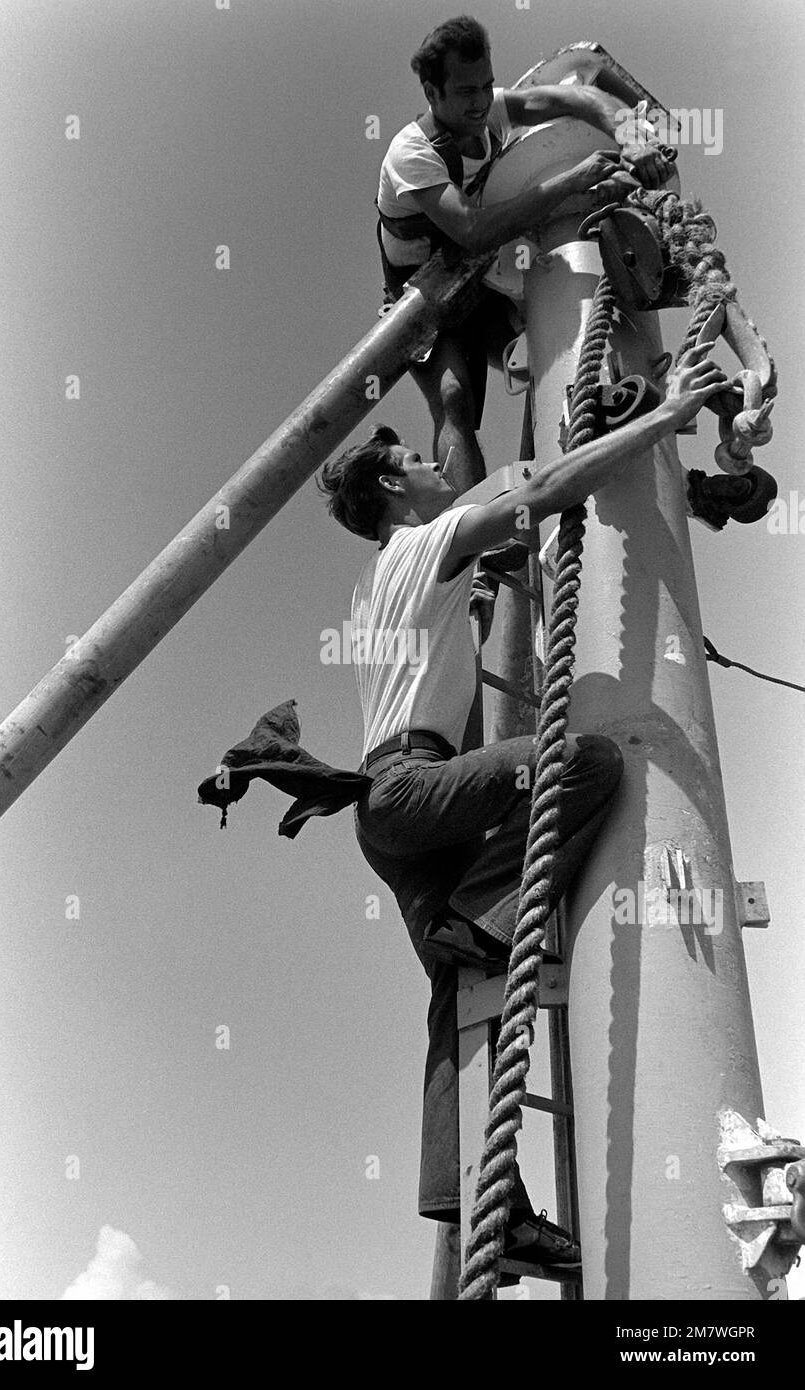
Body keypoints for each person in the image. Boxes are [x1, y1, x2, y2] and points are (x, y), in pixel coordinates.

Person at [317, 342, 730, 1267]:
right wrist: (661, 419)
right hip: (413, 786)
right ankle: (479, 915)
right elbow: (536, 500)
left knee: (456, 998)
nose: (436, 468)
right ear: (392, 490)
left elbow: (504, 537)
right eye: (419, 464)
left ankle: (479, 1211)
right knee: (583, 762)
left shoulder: (383, 581)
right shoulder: (423, 542)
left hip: (391, 815)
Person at [377, 14, 672, 500]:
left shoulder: (489, 111)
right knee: (455, 400)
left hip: (484, 278)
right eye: (466, 91)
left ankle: (559, 490)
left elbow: (575, 98)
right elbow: (471, 231)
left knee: (553, 351)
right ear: (432, 93)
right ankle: (470, 539)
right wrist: (571, 180)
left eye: (487, 85)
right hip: (426, 295)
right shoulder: (411, 153)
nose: (481, 101)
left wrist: (630, 134)